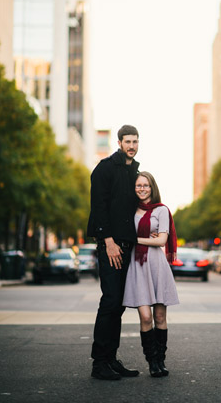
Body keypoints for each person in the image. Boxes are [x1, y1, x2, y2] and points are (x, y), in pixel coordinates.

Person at [88, 125, 141, 380]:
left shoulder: (135, 172)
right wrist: (107, 240)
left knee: (118, 305)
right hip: (111, 245)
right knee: (110, 301)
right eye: (127, 141)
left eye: (135, 141)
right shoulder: (105, 168)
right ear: (119, 142)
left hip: (128, 246)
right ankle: (99, 363)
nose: (131, 145)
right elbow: (98, 207)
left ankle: (110, 358)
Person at [122, 171, 179, 378]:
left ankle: (160, 361)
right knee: (146, 317)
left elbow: (161, 241)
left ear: (152, 187)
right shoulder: (129, 210)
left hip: (156, 265)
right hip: (137, 266)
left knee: (160, 315)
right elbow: (123, 235)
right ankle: (151, 360)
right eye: (138, 185)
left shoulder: (161, 210)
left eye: (145, 185)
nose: (142, 189)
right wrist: (144, 237)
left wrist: (136, 239)